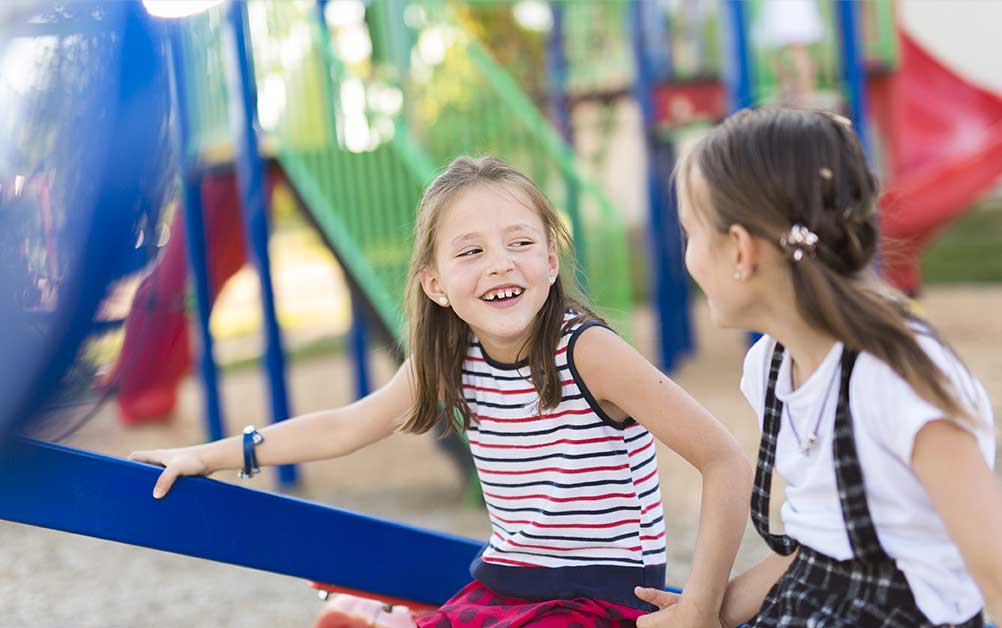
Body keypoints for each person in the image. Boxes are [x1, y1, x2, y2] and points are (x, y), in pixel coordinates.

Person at [131, 156, 752, 627]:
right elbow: (346, 427)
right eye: (472, 251)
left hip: (600, 596)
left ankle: (393, 619)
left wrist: (699, 604)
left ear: (552, 260)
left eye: (521, 243)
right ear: (435, 283)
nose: (501, 263)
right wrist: (208, 455)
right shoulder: (453, 358)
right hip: (507, 583)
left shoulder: (587, 352)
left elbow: (721, 456)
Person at [636, 108, 1002, 627]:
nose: (689, 258)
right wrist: (701, 612)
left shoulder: (896, 376)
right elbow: (816, 554)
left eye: (691, 234)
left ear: (739, 249)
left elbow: (995, 572)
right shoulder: (770, 367)